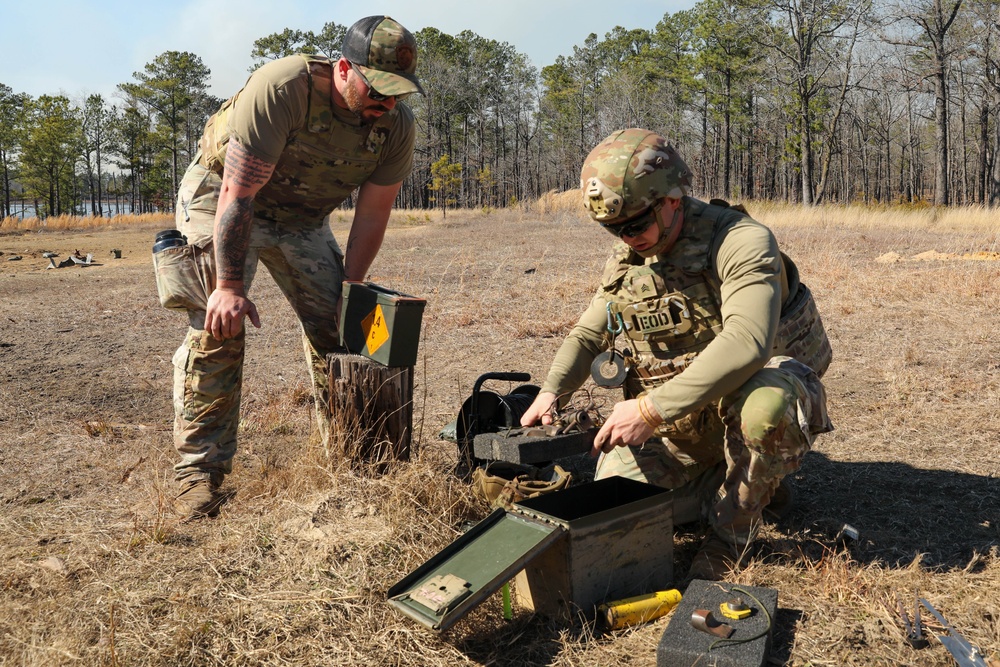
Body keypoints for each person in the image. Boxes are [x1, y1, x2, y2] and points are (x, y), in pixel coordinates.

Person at [520, 128, 833, 581]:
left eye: (635, 225)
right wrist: (552, 392)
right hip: (684, 421)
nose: (627, 238)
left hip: (747, 394)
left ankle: (731, 536)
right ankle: (745, 487)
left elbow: (748, 340)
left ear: (671, 199)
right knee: (616, 504)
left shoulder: (740, 241)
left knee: (767, 409)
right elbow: (590, 333)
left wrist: (647, 410)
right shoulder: (631, 257)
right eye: (614, 229)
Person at [153, 15, 423, 520]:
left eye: (398, 93)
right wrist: (229, 287)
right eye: (377, 88)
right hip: (224, 198)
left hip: (302, 218)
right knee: (220, 328)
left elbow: (372, 215)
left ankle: (352, 453)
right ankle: (199, 473)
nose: (386, 103)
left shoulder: (395, 127)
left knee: (344, 331)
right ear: (344, 68)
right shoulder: (283, 87)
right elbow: (238, 193)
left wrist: (351, 287)